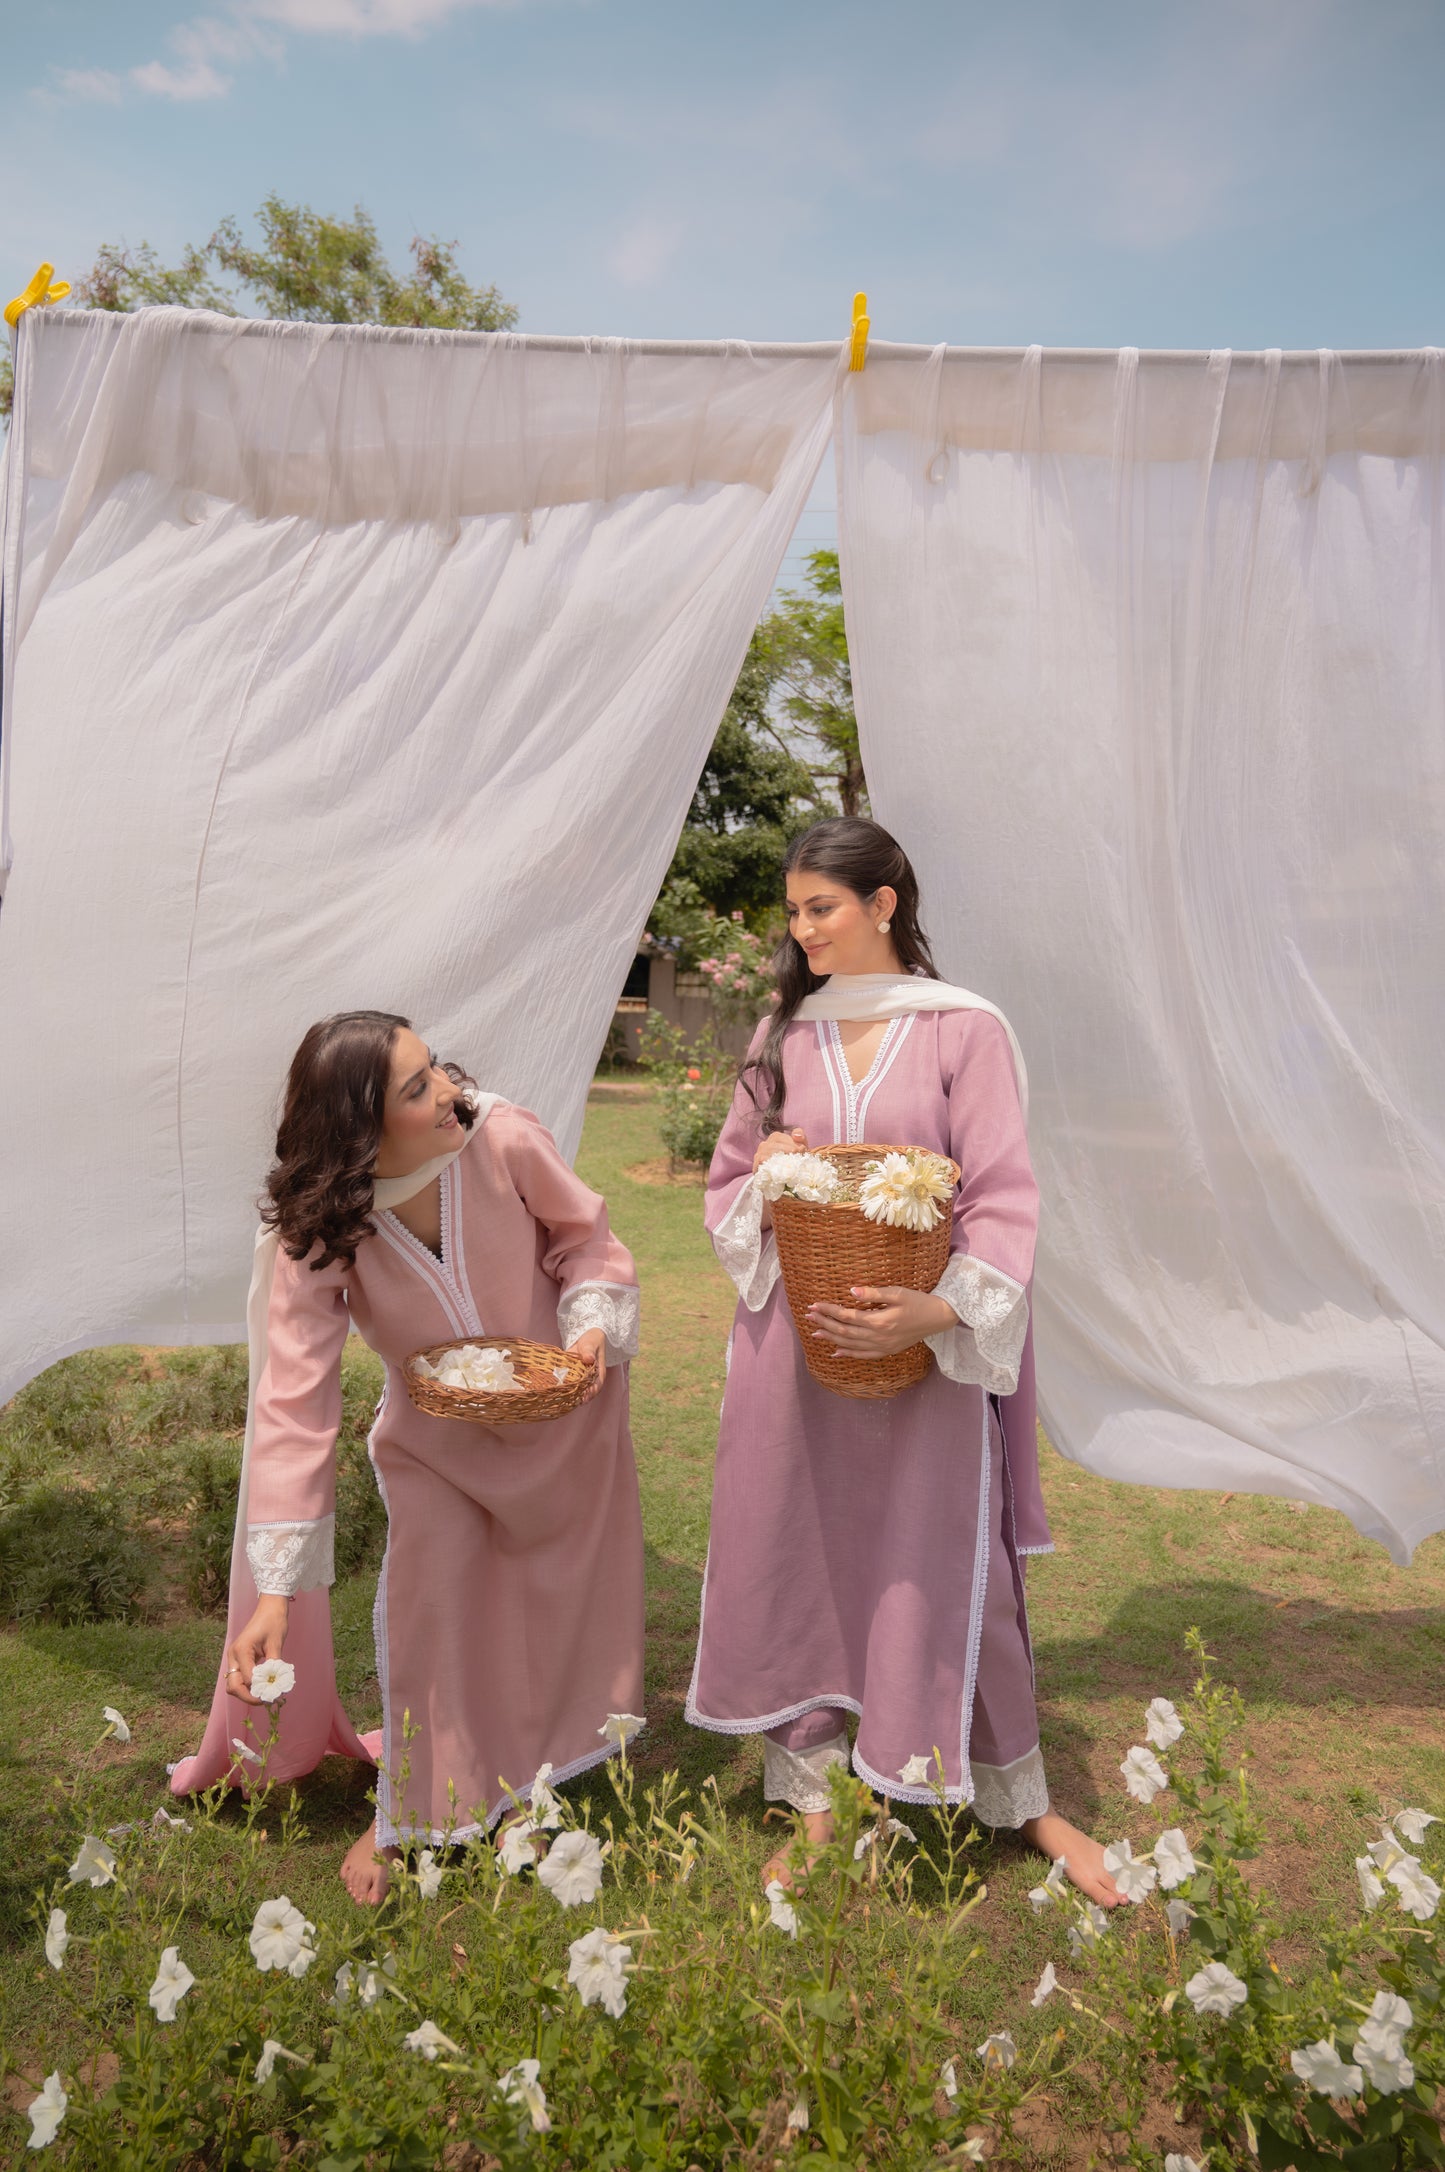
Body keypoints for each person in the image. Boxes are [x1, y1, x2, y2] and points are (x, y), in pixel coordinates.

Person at [686, 819, 1122, 1906]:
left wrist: (933, 1310)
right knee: (805, 1542)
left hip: (924, 1351)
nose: (801, 930)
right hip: (796, 1345)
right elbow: (729, 1180)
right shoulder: (781, 1029)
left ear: (883, 902)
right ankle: (815, 1789)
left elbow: (1002, 1192)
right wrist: (770, 1175)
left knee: (948, 1559)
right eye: (791, 912)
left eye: (818, 907)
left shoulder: (961, 1031)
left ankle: (1018, 1797)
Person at [171, 1011, 644, 1905]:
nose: (450, 1095)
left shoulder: (501, 1136)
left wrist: (586, 1334)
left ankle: (523, 1795)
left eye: (438, 1071)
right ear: (359, 1126)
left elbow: (589, 1242)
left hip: (564, 1412)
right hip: (434, 1443)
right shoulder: (323, 1230)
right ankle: (413, 1813)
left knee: (546, 1613)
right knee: (432, 1610)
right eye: (417, 1088)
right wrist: (275, 1590)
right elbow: (293, 1403)